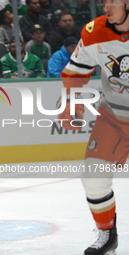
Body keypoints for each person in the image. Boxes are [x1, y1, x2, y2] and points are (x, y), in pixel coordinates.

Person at [58, 1, 129, 254]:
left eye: (112, 0)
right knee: (93, 177)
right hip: (114, 116)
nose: (106, 6)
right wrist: (70, 100)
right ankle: (107, 235)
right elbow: (76, 71)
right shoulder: (93, 31)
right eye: (104, 1)